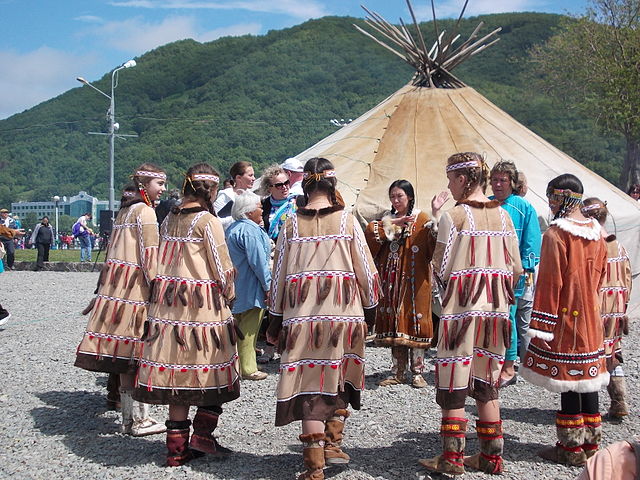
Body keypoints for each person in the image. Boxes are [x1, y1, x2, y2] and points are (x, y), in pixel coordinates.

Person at [265, 157, 379, 480]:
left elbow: (278, 277)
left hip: (302, 321)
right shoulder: (347, 221)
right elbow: (367, 274)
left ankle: (315, 465)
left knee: (310, 387)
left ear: (305, 184)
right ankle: (333, 442)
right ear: (333, 184)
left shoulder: (290, 224)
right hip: (345, 317)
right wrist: (370, 310)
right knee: (339, 374)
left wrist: (274, 321)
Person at [420, 152, 522, 476]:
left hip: (461, 314)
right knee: (486, 381)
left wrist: (443, 300)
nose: (449, 186)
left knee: (454, 383)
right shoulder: (504, 217)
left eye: (451, 180)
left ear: (463, 179)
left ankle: (452, 460)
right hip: (495, 315)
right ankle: (492, 458)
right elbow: (516, 269)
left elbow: (440, 266)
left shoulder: (456, 217)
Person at [133, 163, 240, 466]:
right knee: (211, 367)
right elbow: (222, 267)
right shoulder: (207, 221)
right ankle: (202, 437)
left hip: (169, 308)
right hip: (203, 306)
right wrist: (229, 295)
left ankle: (175, 451)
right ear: (212, 190)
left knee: (177, 374)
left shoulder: (168, 218)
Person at [520, 174, 609, 467]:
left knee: (570, 380)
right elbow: (601, 278)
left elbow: (549, 283)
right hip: (592, 318)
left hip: (567, 318)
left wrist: (541, 325)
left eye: (552, 197)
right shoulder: (597, 232)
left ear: (562, 198)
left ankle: (570, 449)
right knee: (590, 379)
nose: (550, 203)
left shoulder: (557, 235)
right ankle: (592, 446)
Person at [75, 164, 167, 437]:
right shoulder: (146, 212)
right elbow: (150, 255)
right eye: (158, 183)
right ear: (144, 185)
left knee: (127, 357)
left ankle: (129, 419)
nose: (162, 189)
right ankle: (139, 419)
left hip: (117, 291)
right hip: (136, 293)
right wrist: (159, 289)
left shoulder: (125, 211)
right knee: (138, 354)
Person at [364, 180, 445, 388]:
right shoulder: (387, 220)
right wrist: (392, 225)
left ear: (409, 196)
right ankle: (398, 371)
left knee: (416, 321)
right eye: (392, 196)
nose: (396, 200)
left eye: (399, 196)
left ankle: (418, 372)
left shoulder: (423, 218)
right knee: (394, 322)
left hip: (415, 280)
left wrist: (436, 213)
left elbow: (434, 247)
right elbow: (370, 238)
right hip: (391, 280)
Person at [488, 161, 541, 386]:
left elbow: (531, 244)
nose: (498, 184)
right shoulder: (485, 204)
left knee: (507, 319)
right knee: (488, 319)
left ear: (512, 182)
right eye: (495, 179)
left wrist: (523, 272)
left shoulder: (522, 206)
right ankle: (490, 363)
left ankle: (509, 368)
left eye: (503, 180)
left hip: (511, 274)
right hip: (486, 273)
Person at [582, 197, 633, 419]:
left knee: (592, 354)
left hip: (597, 307)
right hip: (617, 307)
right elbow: (628, 277)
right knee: (613, 352)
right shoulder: (619, 246)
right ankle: (618, 399)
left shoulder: (593, 245)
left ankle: (586, 407)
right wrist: (623, 305)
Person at [226, 190, 271, 381]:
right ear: (249, 210)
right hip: (251, 288)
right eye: (259, 207)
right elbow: (259, 262)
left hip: (235, 286)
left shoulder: (231, 228)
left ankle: (235, 364)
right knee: (249, 330)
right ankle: (248, 367)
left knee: (236, 327)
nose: (262, 210)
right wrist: (268, 286)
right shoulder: (251, 231)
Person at [258, 164, 298, 242]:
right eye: (279, 185)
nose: (284, 187)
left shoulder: (300, 200)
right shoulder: (262, 206)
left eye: (286, 182)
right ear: (269, 188)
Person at [213, 161, 256, 229]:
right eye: (250, 175)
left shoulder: (253, 197)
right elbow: (214, 220)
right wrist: (237, 218)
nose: (254, 178)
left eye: (253, 175)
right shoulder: (226, 196)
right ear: (238, 177)